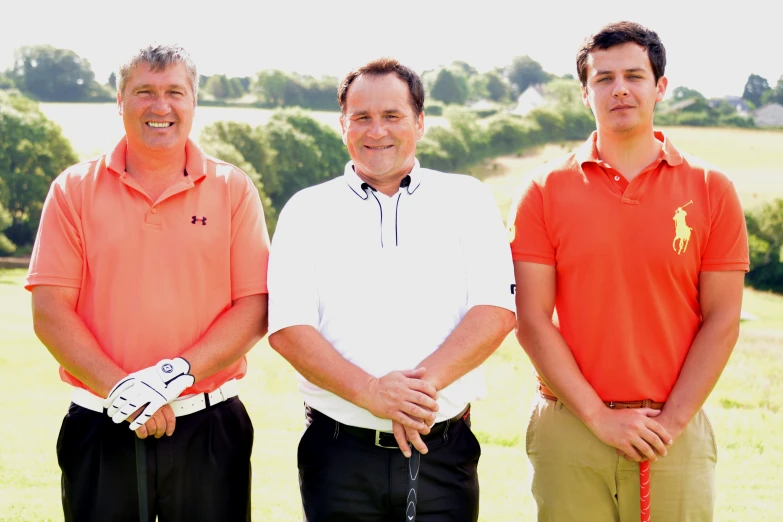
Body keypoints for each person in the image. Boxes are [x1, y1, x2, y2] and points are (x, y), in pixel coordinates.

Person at [509, 21, 749, 521]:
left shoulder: (711, 188)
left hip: (672, 430)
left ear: (660, 87)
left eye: (634, 76)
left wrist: (671, 422)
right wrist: (599, 419)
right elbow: (532, 319)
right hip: (569, 427)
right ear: (585, 93)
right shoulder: (541, 191)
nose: (619, 89)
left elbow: (722, 317)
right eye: (603, 78)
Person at [26, 44, 270, 522]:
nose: (161, 106)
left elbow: (254, 307)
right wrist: (125, 391)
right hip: (100, 421)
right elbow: (51, 312)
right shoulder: (73, 189)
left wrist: (166, 380)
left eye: (175, 92)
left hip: (209, 423)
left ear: (194, 101)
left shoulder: (233, 188)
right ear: (120, 99)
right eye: (144, 92)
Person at [267, 57, 516, 522]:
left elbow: (496, 310)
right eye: (361, 117)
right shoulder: (306, 210)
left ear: (419, 122)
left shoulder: (468, 199)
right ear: (343, 124)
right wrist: (371, 393)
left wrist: (414, 394)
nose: (375, 130)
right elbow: (288, 329)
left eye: (392, 116)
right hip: (337, 453)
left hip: (441, 448)